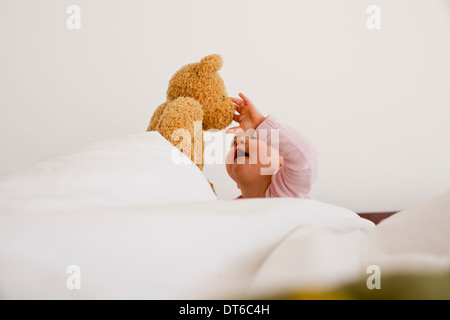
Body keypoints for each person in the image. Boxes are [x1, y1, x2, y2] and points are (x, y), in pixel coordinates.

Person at [225, 93, 319, 199]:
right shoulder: (232, 209)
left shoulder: (289, 190)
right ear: (237, 184)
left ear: (282, 163)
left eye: (253, 137)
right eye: (234, 143)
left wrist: (260, 124)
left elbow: (305, 158)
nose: (239, 142)